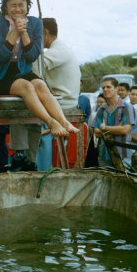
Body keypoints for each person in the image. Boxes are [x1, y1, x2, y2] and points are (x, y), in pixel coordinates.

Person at [0, 0, 79, 140]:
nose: (17, 9)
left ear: (27, 5)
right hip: (2, 74)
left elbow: (31, 56)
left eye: (21, 5)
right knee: (27, 86)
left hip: (23, 70)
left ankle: (63, 121)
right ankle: (51, 122)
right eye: (13, 5)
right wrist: (15, 31)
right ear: (6, 7)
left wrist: (23, 33)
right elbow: (1, 55)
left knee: (41, 85)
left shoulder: (35, 23)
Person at [36, 17, 81, 170]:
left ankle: (41, 170)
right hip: (65, 99)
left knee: (37, 120)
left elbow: (35, 69)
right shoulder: (61, 48)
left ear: (44, 32)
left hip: (64, 102)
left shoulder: (58, 51)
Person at [92, 78, 135, 168]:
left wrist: (103, 128)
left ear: (116, 89)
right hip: (104, 154)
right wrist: (116, 129)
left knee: (122, 181)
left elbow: (124, 130)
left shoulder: (127, 107)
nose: (105, 89)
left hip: (121, 154)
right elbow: (96, 132)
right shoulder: (101, 109)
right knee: (104, 181)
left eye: (108, 87)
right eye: (103, 88)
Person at [85, 93, 106, 167]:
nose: (99, 104)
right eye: (98, 102)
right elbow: (90, 127)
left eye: (102, 102)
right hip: (93, 140)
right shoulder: (94, 113)